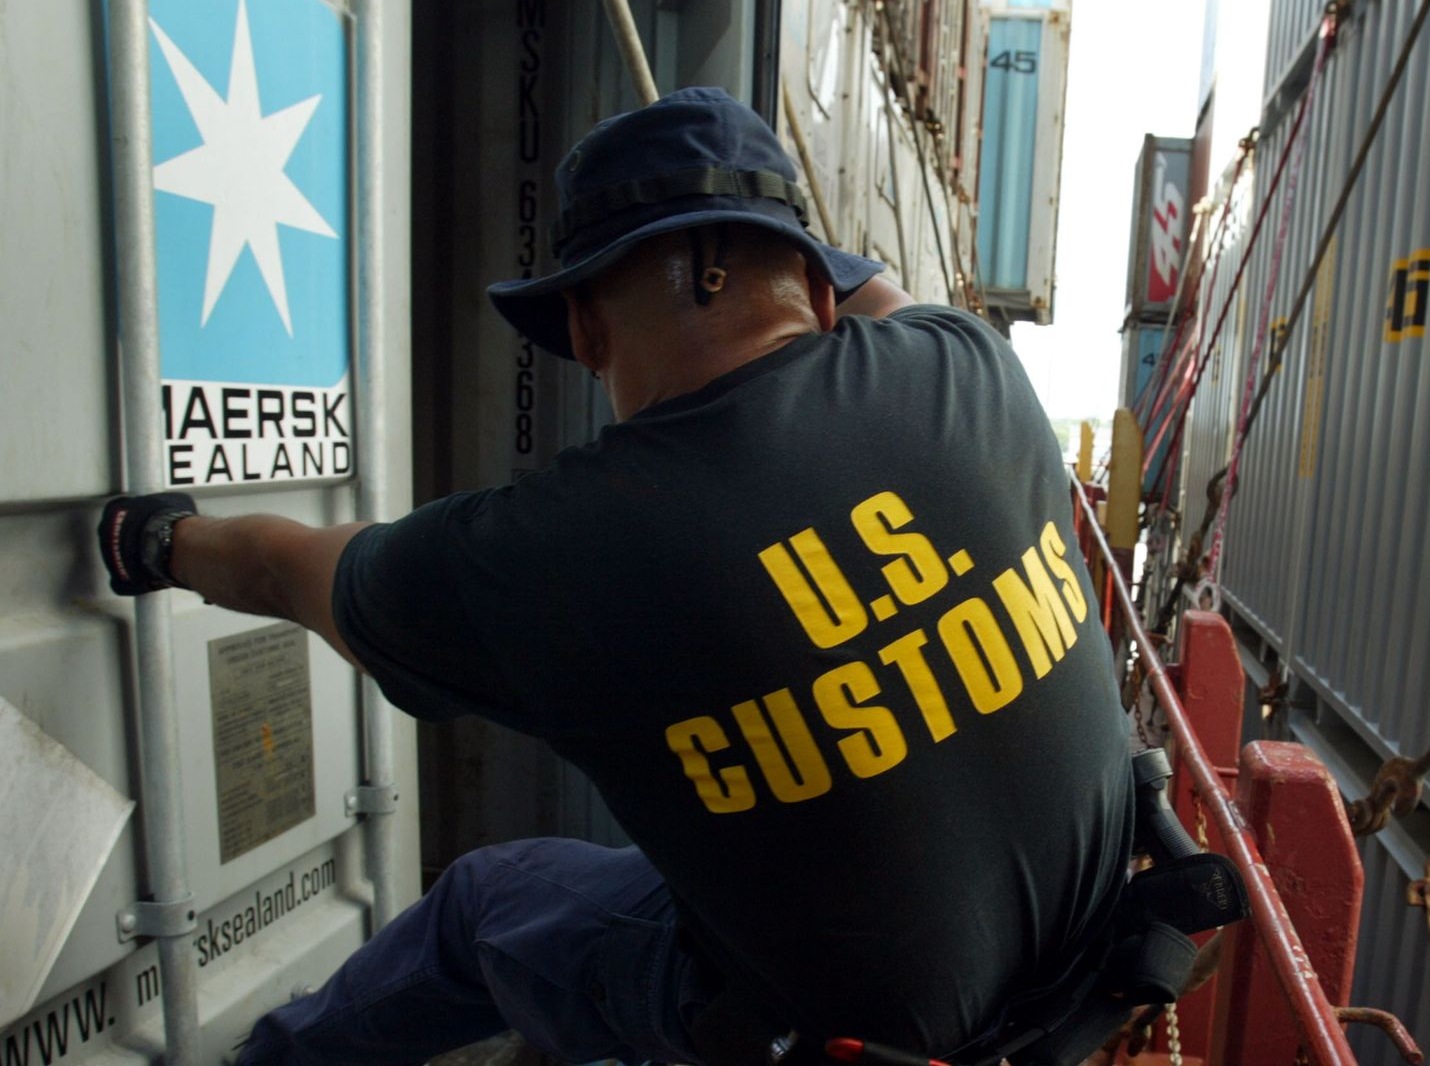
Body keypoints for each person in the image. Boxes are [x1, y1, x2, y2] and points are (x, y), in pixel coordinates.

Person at [98, 87, 1133, 1066]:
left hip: (850, 1040)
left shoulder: (564, 547)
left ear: (587, 332)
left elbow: (288, 572)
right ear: (823, 292)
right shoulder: (972, 367)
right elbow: (884, 301)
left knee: (485, 903)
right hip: (1093, 976)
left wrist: (156, 539)